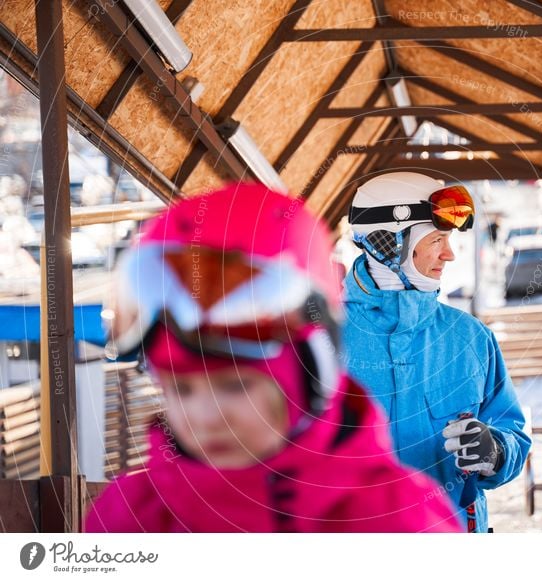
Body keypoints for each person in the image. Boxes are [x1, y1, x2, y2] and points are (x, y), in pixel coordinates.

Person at [84, 183, 462, 533]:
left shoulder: (398, 521)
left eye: (236, 386)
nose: (206, 417)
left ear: (316, 373)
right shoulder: (131, 516)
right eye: (181, 389)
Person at [342, 172, 531, 532]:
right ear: (387, 242)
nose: (449, 253)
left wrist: (495, 451)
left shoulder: (471, 338)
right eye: (437, 239)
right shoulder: (316, 340)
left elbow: (511, 429)